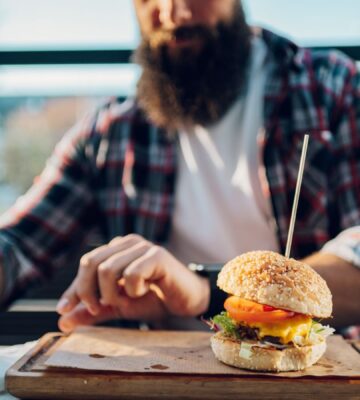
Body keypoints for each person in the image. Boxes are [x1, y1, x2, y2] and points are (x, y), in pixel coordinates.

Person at [0, 0, 359, 334]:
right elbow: (19, 244)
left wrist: (204, 291)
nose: (173, 13)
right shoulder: (109, 134)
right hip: (159, 374)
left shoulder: (330, 91)